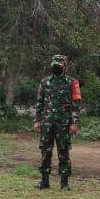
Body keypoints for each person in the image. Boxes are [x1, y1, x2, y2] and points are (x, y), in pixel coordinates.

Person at [34, 54, 82, 191]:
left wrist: (74, 123)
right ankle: (44, 181)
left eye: (59, 65)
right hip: (47, 123)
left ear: (65, 66)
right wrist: (37, 120)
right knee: (45, 151)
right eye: (54, 65)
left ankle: (64, 183)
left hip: (64, 124)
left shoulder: (72, 82)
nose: (56, 67)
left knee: (64, 152)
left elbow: (76, 104)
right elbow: (39, 102)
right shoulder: (44, 82)